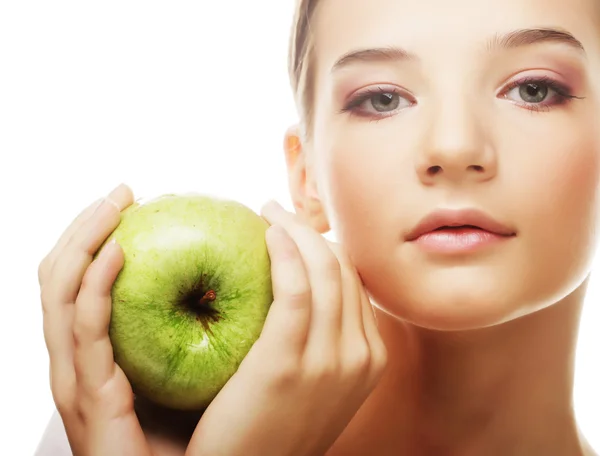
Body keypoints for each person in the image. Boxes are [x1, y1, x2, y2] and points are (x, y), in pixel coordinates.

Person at [35, 0, 600, 454]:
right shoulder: (121, 434)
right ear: (307, 178)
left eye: (534, 89)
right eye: (382, 98)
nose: (453, 147)